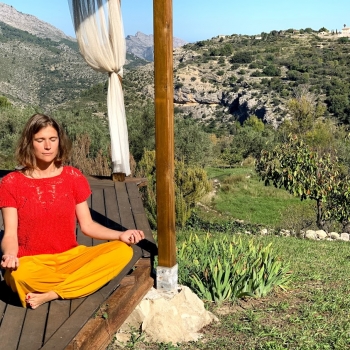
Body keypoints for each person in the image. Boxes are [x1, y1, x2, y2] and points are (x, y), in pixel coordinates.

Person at [0, 113, 144, 309]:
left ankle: (53, 293)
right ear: (29, 143)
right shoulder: (11, 183)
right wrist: (9, 255)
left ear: (60, 141)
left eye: (53, 139)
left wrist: (121, 234)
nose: (48, 146)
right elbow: (9, 234)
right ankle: (78, 283)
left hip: (71, 257)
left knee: (122, 251)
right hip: (33, 262)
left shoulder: (72, 177)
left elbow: (88, 225)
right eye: (40, 140)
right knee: (19, 276)